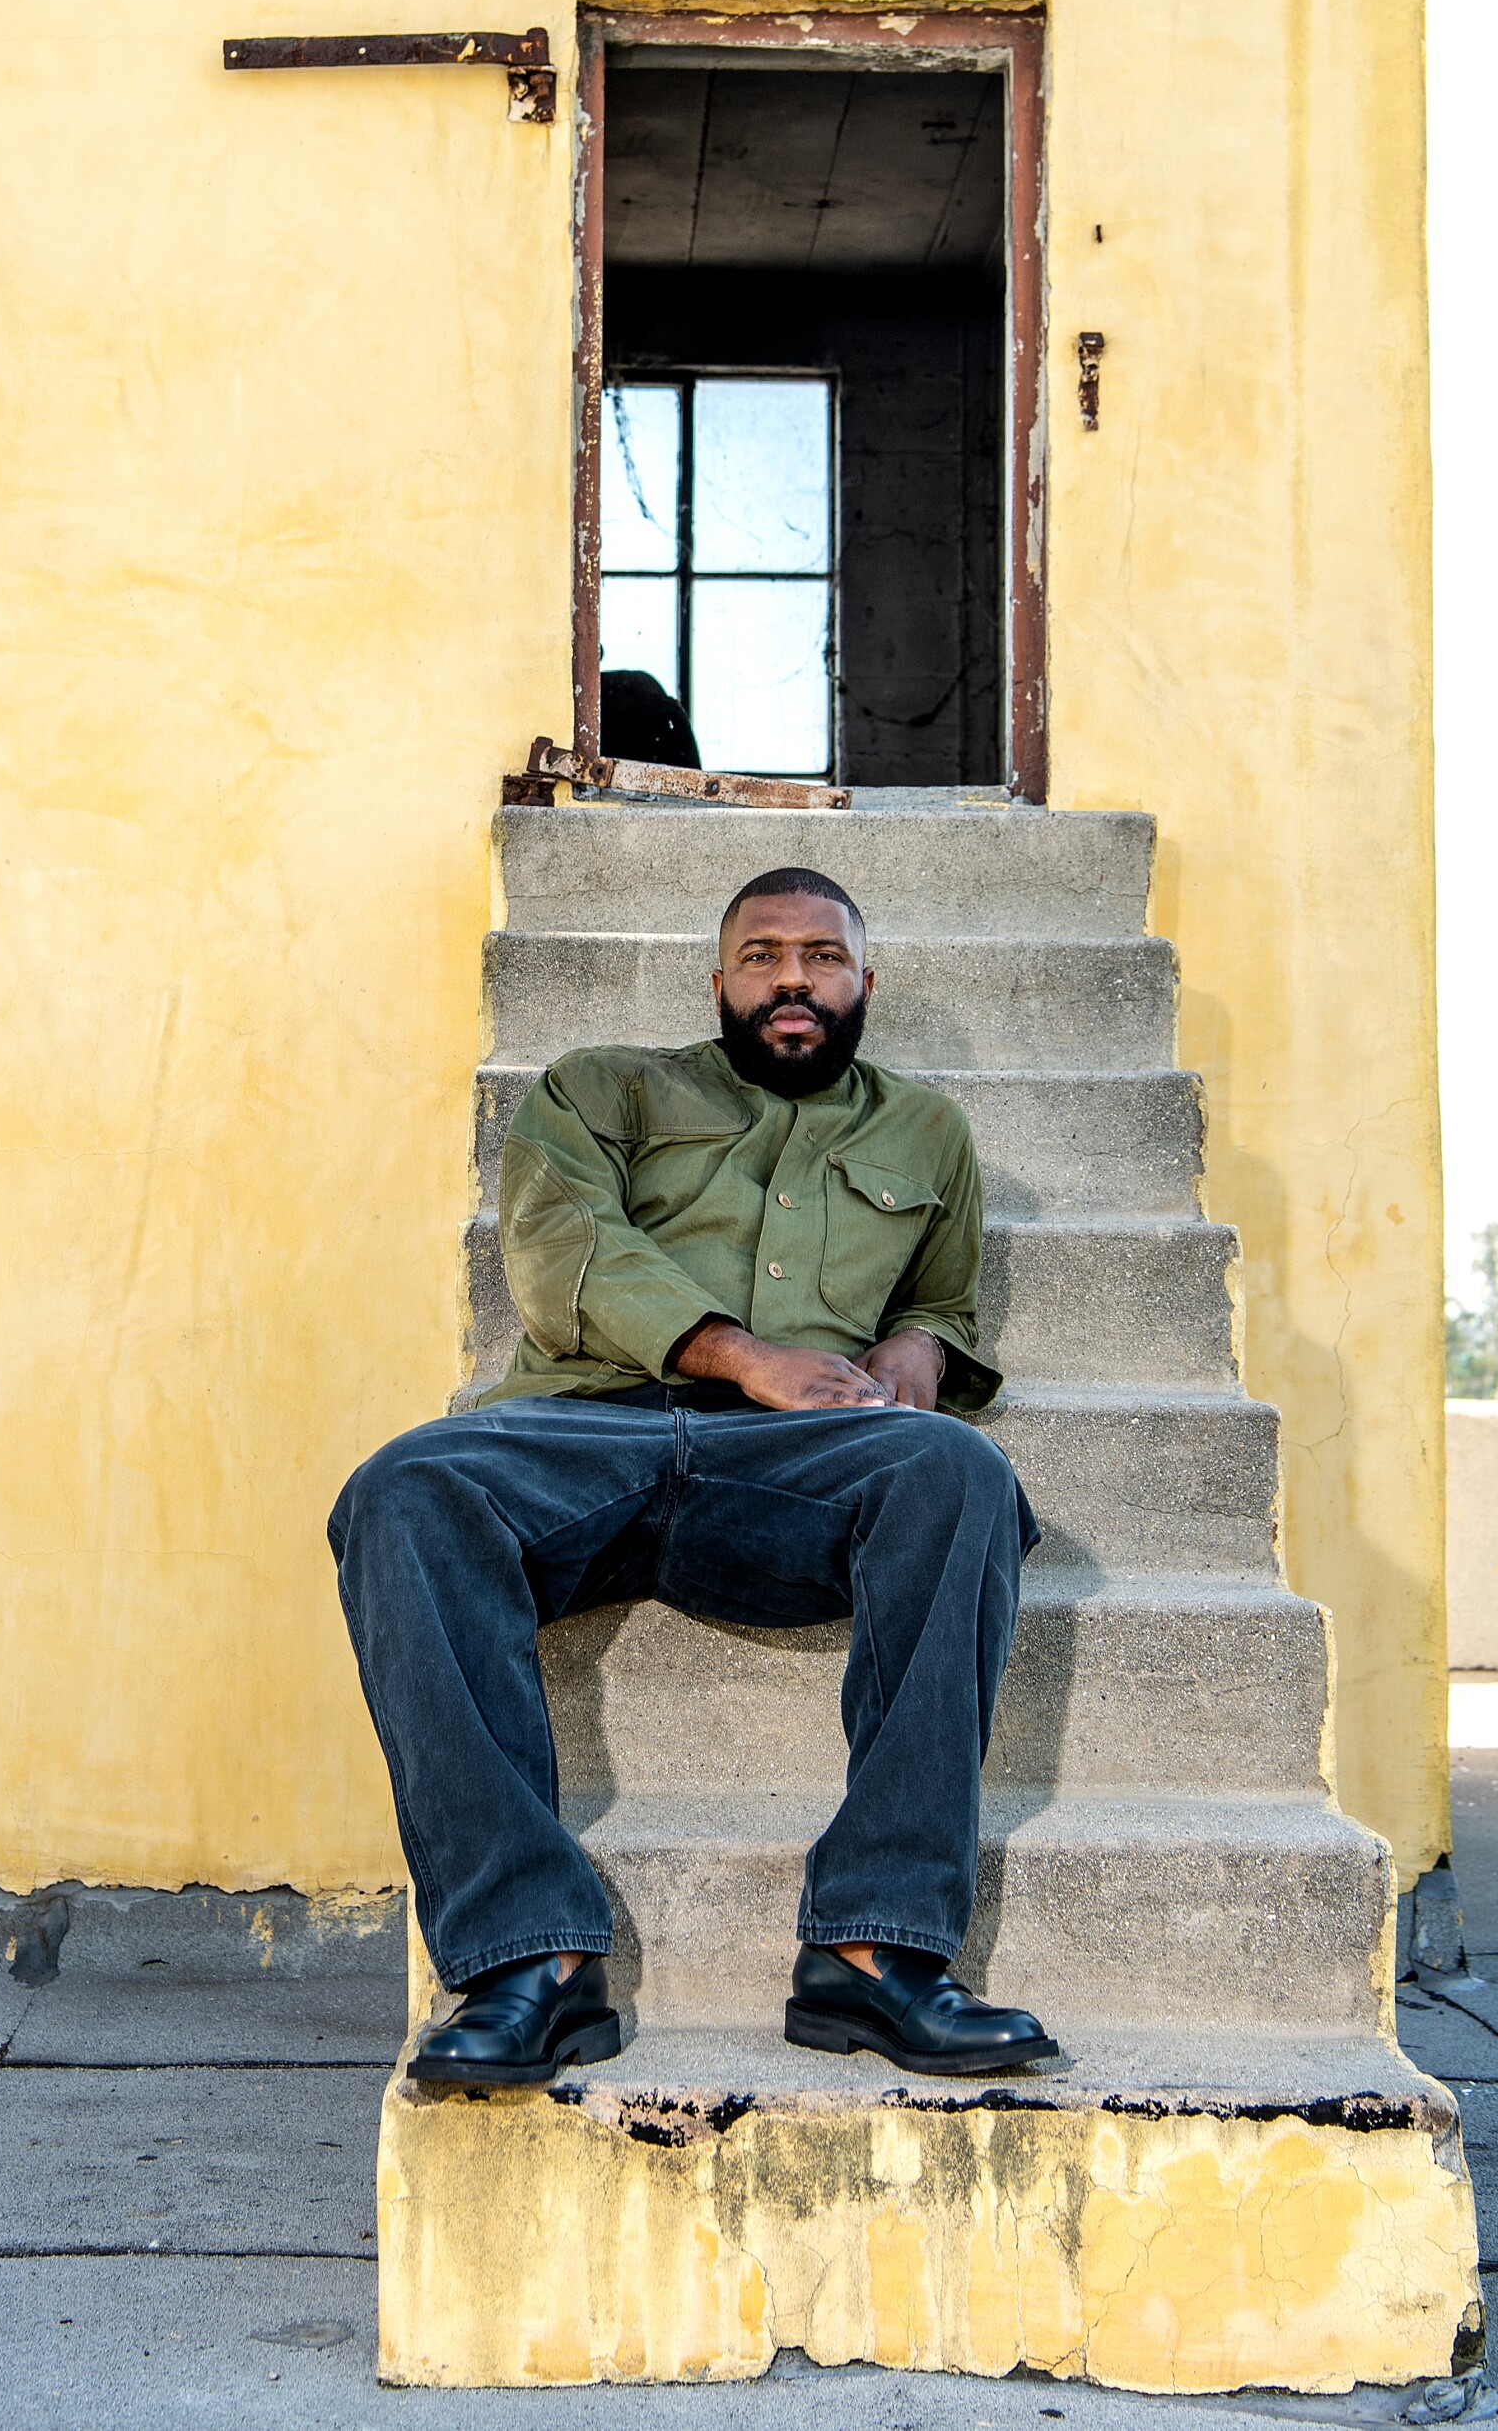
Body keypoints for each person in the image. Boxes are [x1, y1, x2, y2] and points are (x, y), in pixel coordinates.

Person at [328, 866, 1055, 2087]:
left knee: (960, 1475)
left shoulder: (926, 1132)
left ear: (863, 981)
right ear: (716, 981)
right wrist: (744, 1356)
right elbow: (561, 1245)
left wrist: (917, 1349)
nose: (792, 979)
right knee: (403, 1487)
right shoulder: (599, 1088)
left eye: (820, 957)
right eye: (762, 955)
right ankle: (528, 1963)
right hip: (587, 1428)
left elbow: (941, 1296)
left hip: (790, 1471)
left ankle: (875, 1953)